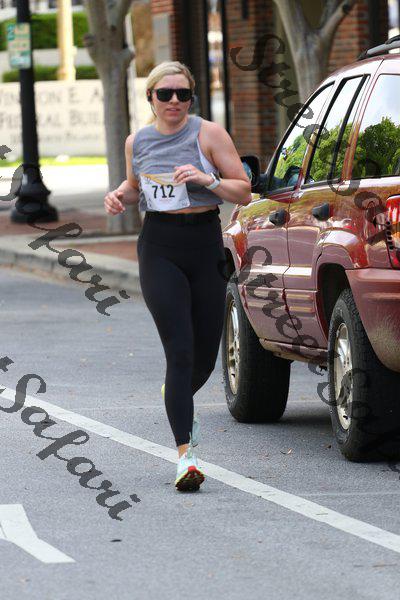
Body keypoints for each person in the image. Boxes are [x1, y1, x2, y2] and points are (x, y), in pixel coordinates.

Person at [104, 60, 251, 492]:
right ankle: (186, 456)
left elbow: (243, 189)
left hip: (205, 244)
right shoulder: (137, 141)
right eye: (165, 94)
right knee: (180, 351)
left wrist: (208, 179)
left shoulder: (209, 134)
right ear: (150, 97)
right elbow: (136, 186)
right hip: (159, 247)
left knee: (204, 356)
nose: (174, 101)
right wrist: (119, 196)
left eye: (182, 94)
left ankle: (177, 397)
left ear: (191, 98)